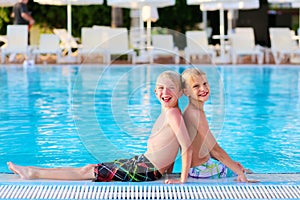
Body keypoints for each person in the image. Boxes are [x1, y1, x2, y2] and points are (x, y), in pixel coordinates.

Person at [7, 70, 193, 184]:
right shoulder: (168, 112)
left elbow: (186, 147)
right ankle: (33, 171)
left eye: (171, 88)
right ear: (154, 91)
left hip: (145, 170)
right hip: (144, 165)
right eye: (161, 88)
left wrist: (181, 179)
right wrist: (166, 171)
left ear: (180, 92)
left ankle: (32, 172)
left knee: (87, 171)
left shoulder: (173, 114)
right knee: (91, 168)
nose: (165, 92)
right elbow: (169, 147)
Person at [181, 68, 250, 182]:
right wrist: (239, 173)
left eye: (205, 83)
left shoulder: (192, 110)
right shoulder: (196, 114)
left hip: (198, 168)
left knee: (238, 167)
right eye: (196, 86)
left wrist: (231, 164)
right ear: (186, 92)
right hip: (202, 170)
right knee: (246, 173)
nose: (203, 89)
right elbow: (215, 150)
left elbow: (205, 148)